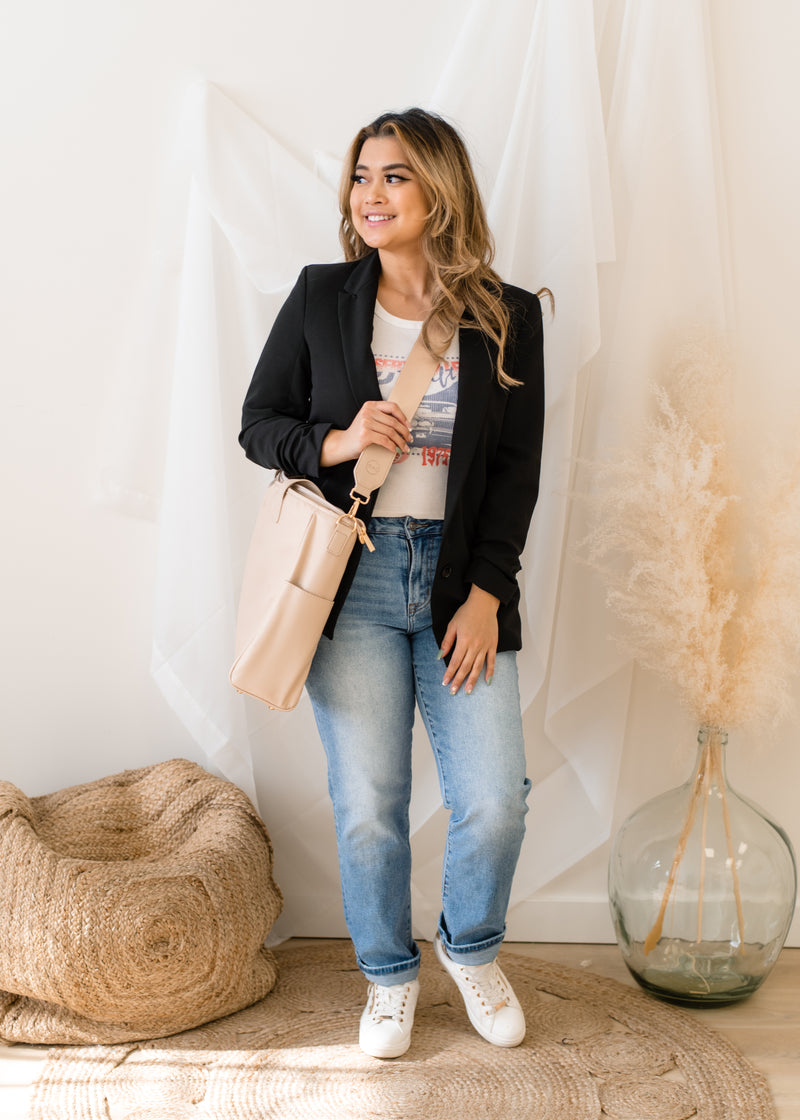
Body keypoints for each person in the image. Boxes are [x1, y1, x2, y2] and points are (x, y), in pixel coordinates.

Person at [239, 108, 546, 1059]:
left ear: (440, 190)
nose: (369, 194)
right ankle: (387, 976)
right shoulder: (321, 296)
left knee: (494, 800)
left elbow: (517, 471)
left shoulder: (507, 312)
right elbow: (259, 424)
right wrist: (337, 441)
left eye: (395, 176)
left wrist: (488, 594)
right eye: (362, 176)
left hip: (461, 584)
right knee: (370, 805)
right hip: (355, 581)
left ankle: (470, 947)